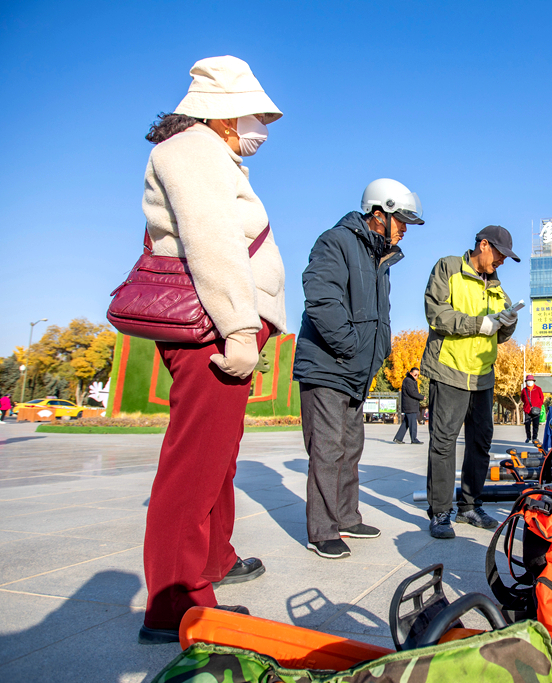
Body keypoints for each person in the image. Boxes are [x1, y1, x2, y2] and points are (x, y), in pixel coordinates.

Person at [136, 56, 286, 644]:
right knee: (194, 465)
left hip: (221, 326)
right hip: (214, 330)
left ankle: (213, 558)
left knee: (217, 457)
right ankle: (176, 603)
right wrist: (241, 328)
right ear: (222, 112)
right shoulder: (193, 150)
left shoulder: (209, 153)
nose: (262, 128)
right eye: (255, 114)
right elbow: (212, 242)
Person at [293, 178, 423, 559]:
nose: (404, 230)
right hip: (327, 365)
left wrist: (376, 353)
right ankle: (322, 530)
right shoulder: (336, 242)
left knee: (351, 447)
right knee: (327, 449)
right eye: (402, 221)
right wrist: (350, 347)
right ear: (379, 214)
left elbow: (380, 315)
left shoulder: (380, 260)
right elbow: (321, 298)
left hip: (355, 371)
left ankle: (347, 517)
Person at [420, 225, 519, 539]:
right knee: (443, 443)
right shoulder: (448, 268)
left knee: (480, 443)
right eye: (500, 254)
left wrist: (508, 322)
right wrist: (479, 323)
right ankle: (440, 513)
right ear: (484, 245)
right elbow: (437, 314)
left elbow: (500, 335)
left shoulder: (497, 288)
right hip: (449, 369)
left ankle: (470, 507)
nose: (502, 261)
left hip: (482, 376)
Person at [394, 368, 425, 444]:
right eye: (415, 374)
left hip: (411, 405)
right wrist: (421, 397)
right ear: (411, 373)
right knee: (413, 423)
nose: (416, 376)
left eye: (418, 375)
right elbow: (412, 392)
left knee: (406, 422)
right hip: (410, 406)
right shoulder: (408, 381)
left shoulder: (411, 380)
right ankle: (414, 439)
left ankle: (398, 438)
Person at [521, 374, 544, 442]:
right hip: (527, 410)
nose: (530, 382)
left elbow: (542, 398)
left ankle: (534, 437)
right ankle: (528, 437)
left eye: (531, 380)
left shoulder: (538, 389)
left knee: (535, 424)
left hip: (536, 409)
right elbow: (522, 398)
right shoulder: (524, 390)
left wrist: (538, 406)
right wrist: (526, 404)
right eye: (528, 380)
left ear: (533, 381)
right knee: (527, 424)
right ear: (526, 381)